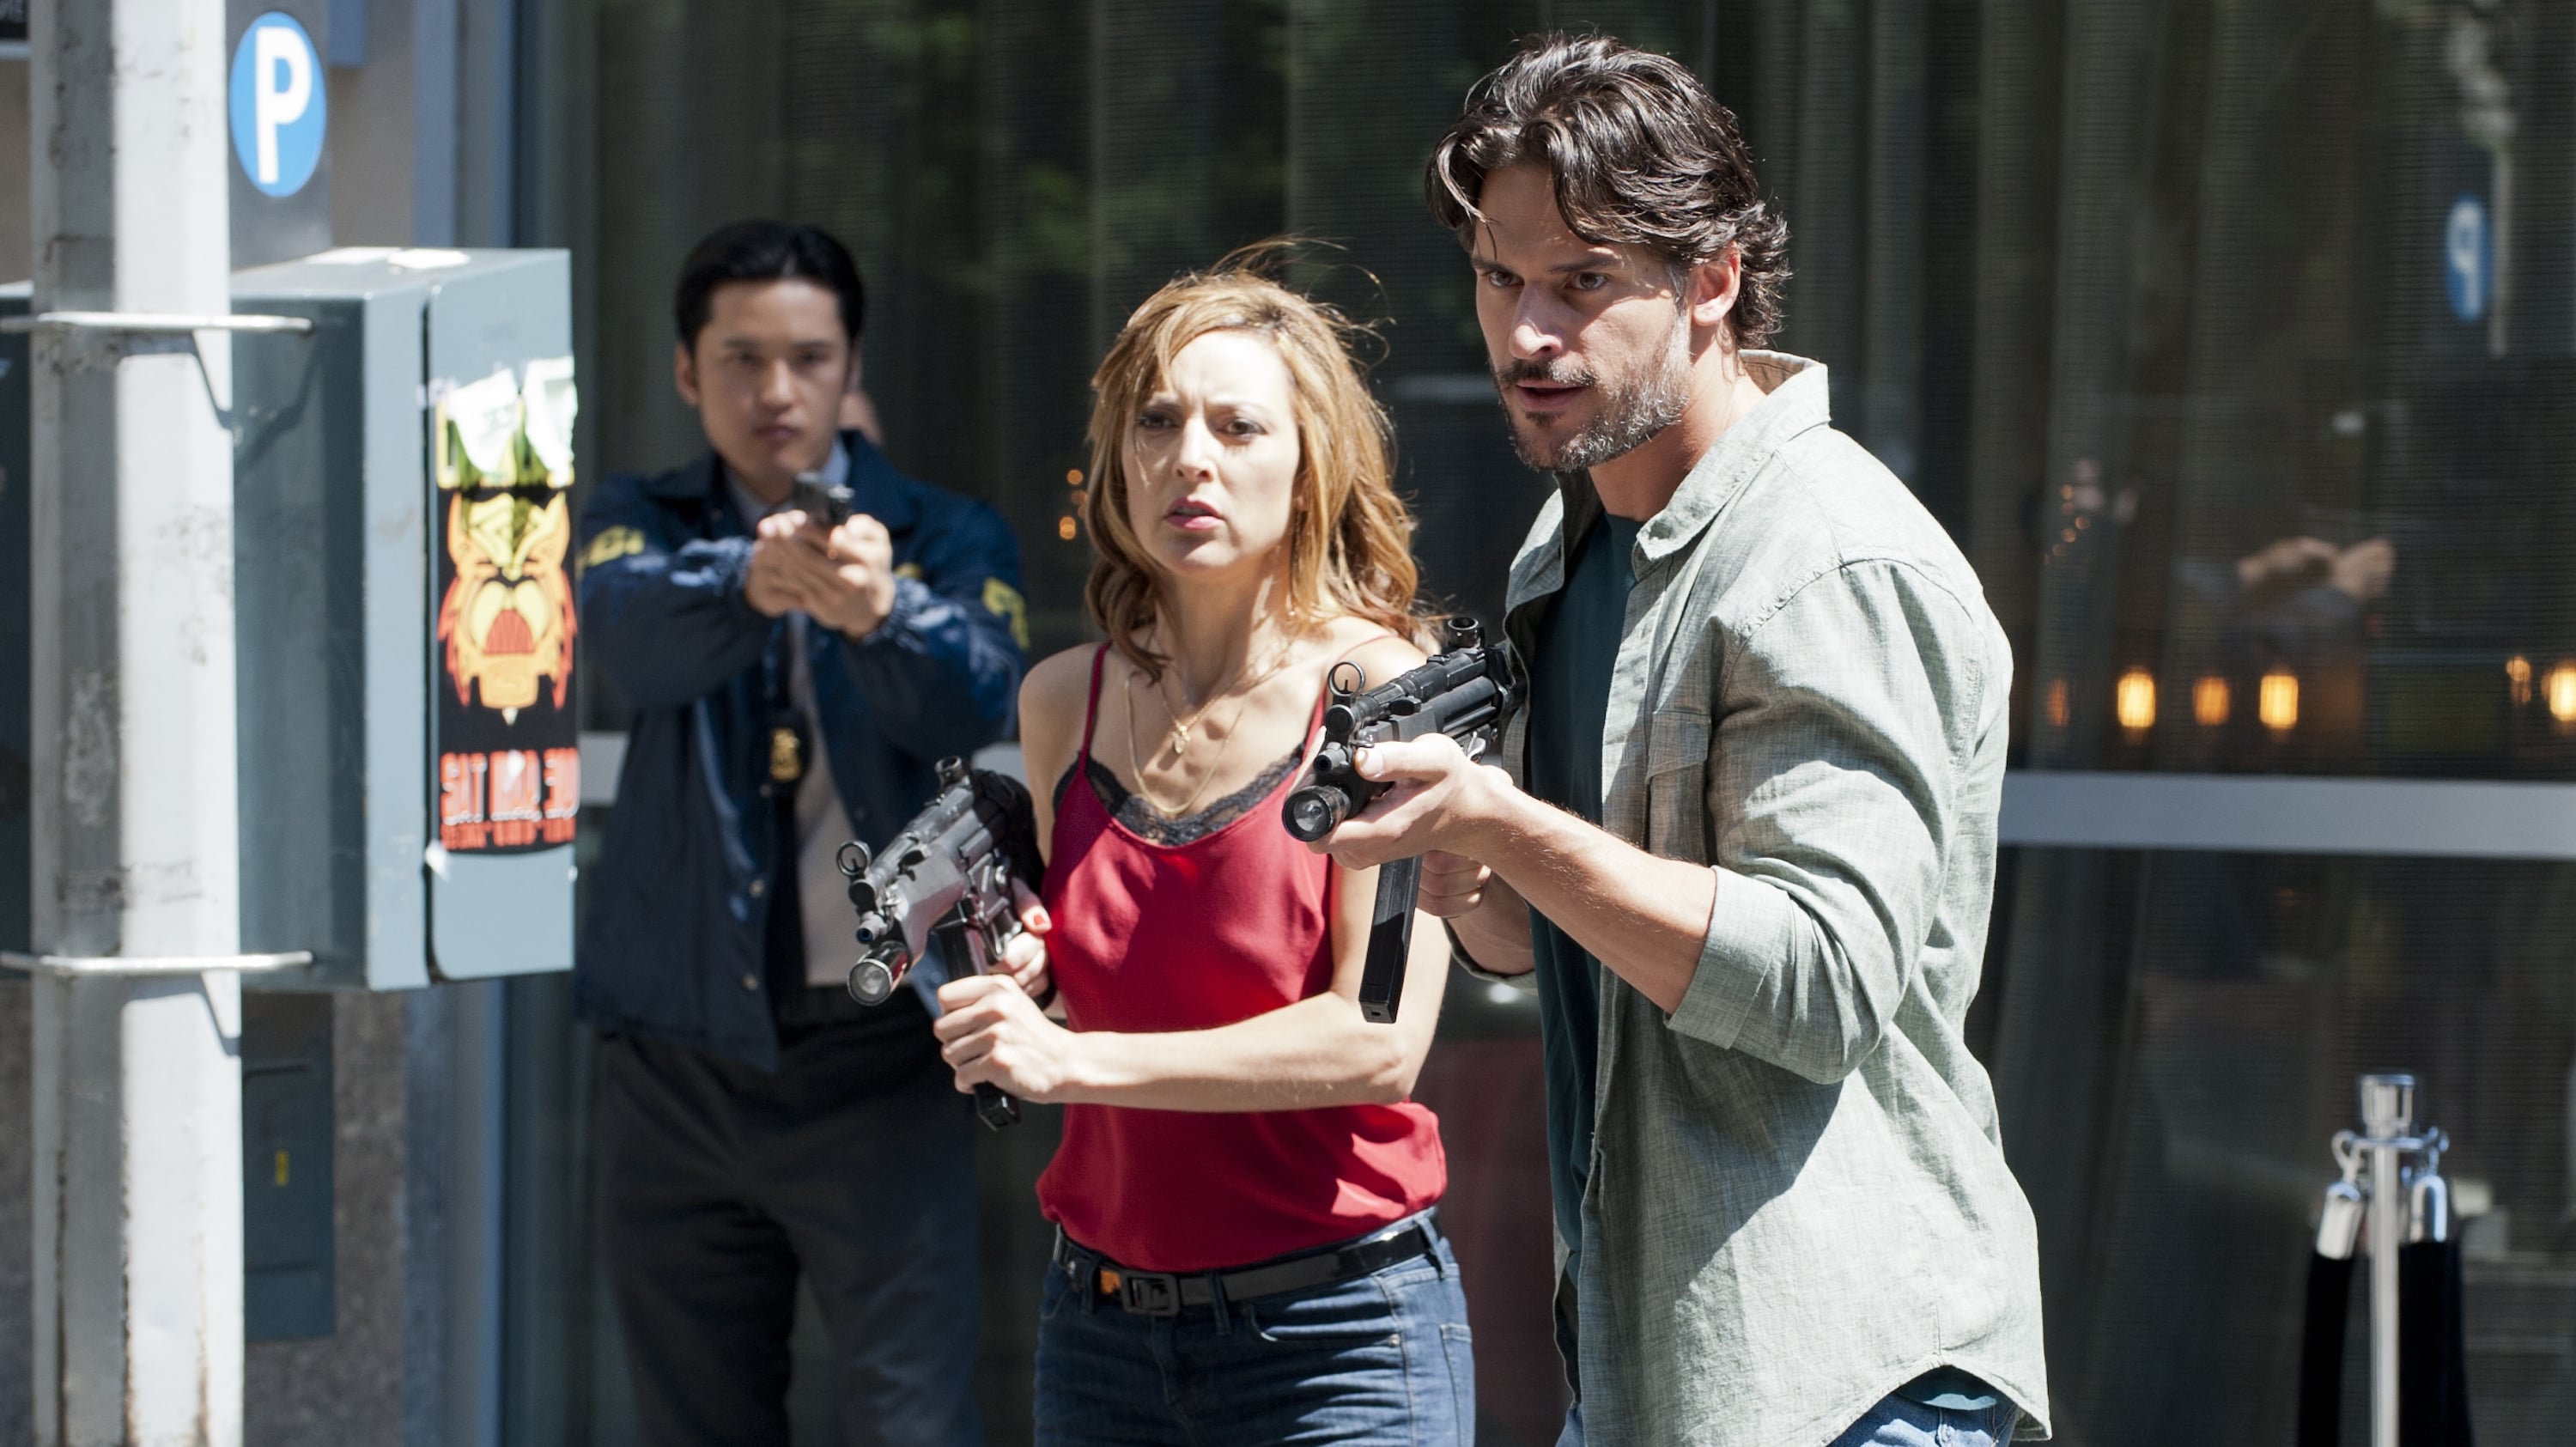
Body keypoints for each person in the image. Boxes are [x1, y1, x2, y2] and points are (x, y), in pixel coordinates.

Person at [1311, 35, 2053, 1447]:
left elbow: (1821, 983)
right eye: (1500, 278)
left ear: (1712, 280)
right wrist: (1472, 879)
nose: (1529, 334)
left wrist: (1505, 822)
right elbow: (1559, 940)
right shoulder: (1576, 539)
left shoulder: (1827, 562)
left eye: (1584, 282)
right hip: (1648, 1361)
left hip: (1847, 1378)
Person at [927, 254, 1478, 1446]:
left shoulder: (1384, 695)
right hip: (1099, 1335)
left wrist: (1071, 1060)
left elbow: (1377, 1040)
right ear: (1118, 459)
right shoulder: (1062, 700)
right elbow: (1107, 977)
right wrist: (1032, 980)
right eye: (1159, 421)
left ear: (1308, 464)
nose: (1191, 457)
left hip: (1337, 1339)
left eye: (1238, 427)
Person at [574, 219, 1031, 1447]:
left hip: (880, 1054)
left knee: (911, 1420)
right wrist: (745, 580)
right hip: (676, 1061)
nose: (776, 390)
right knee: (695, 1419)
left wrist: (885, 615)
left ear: (850, 367)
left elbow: (983, 692)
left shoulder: (941, 533)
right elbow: (620, 636)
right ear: (687, 371)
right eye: (741, 358)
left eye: (808, 358)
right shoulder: (642, 518)